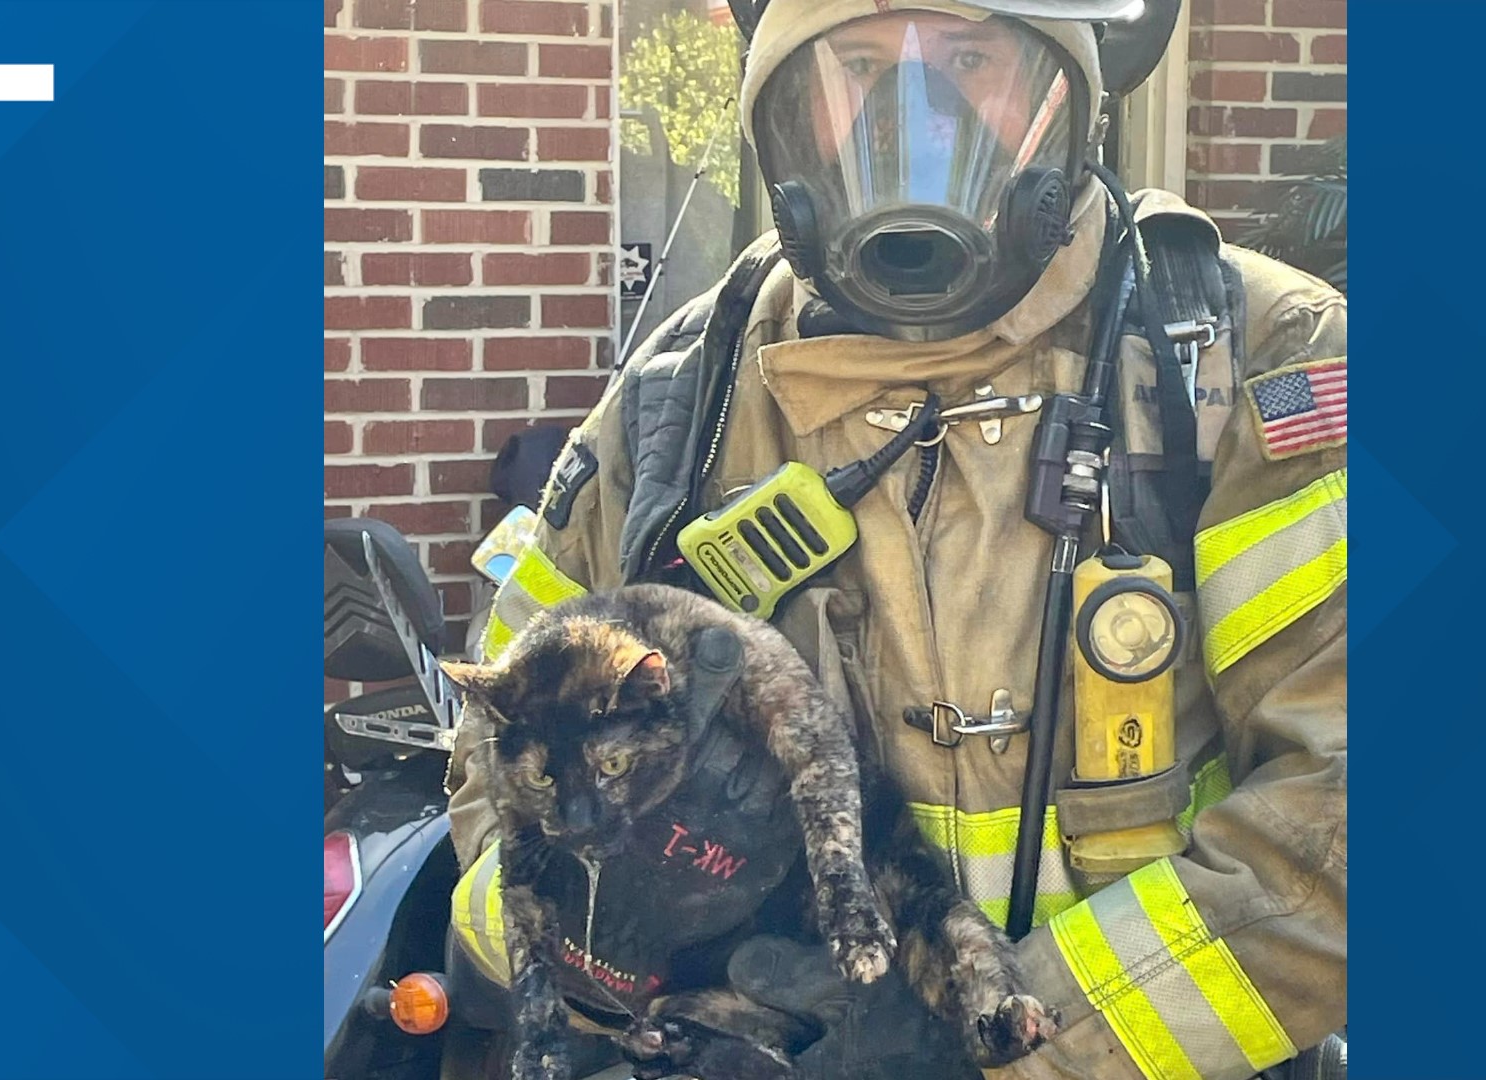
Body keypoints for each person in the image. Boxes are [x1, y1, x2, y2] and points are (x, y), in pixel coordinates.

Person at [447, 2, 1346, 1077]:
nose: (915, 117)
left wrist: (1011, 1048)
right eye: (859, 63)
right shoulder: (684, 397)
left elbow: (1343, 821)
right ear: (781, 115)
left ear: (1073, 101)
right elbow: (487, 767)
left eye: (970, 58)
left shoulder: (1255, 358)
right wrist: (612, 954)